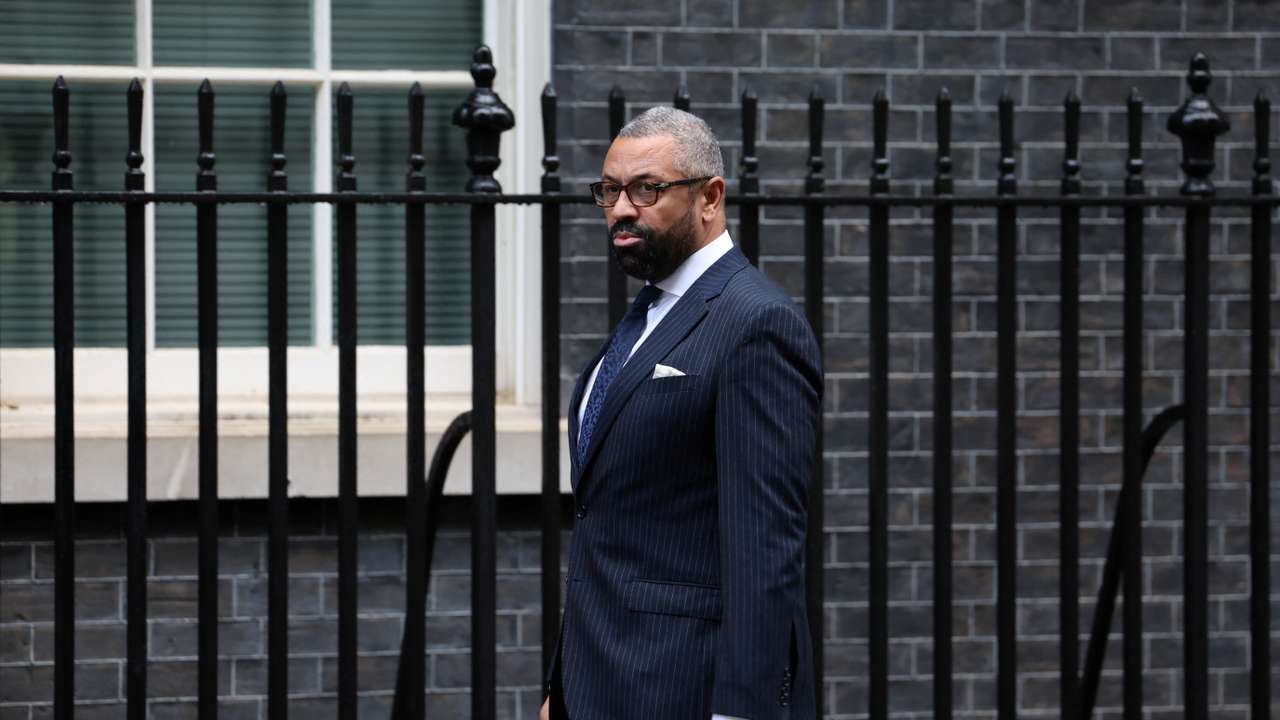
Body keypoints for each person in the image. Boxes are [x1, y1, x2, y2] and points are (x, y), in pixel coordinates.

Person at [540, 107, 822, 720]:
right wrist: (562, 689)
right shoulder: (648, 314)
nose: (619, 209)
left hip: (683, 689)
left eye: (647, 189)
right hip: (600, 683)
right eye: (609, 190)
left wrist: (739, 713)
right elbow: (608, 525)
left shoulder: (755, 324)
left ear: (709, 198)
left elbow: (765, 549)